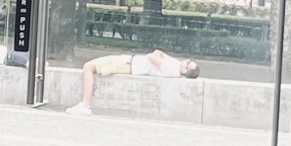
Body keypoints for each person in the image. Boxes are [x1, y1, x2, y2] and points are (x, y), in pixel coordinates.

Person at [67, 49, 199, 115]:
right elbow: (158, 53)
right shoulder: (175, 66)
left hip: (127, 64)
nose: (186, 62)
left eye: (188, 65)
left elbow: (153, 55)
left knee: (88, 67)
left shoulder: (171, 68)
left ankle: (85, 104)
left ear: (185, 72)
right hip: (128, 62)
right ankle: (85, 104)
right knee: (90, 67)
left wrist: (162, 56)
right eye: (189, 61)